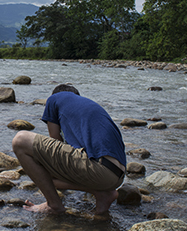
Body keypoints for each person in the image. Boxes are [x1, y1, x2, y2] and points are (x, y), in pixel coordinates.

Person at [12, 84, 126, 214]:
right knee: (45, 174)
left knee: (21, 141)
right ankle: (102, 194)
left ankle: (54, 204)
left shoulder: (55, 99)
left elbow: (54, 138)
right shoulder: (88, 108)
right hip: (117, 176)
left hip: (100, 170)